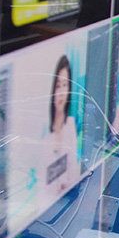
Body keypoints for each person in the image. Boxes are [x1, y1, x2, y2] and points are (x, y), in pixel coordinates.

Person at [43, 55, 79, 197]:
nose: (62, 93)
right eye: (58, 86)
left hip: (66, 202)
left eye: (65, 85)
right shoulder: (45, 136)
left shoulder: (70, 125)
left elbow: (73, 175)